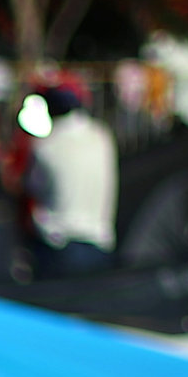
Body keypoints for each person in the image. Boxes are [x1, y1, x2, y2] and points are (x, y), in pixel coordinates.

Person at [24, 77, 120, 277]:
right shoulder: (102, 136)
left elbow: (32, 187)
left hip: (60, 247)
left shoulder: (46, 146)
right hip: (100, 245)